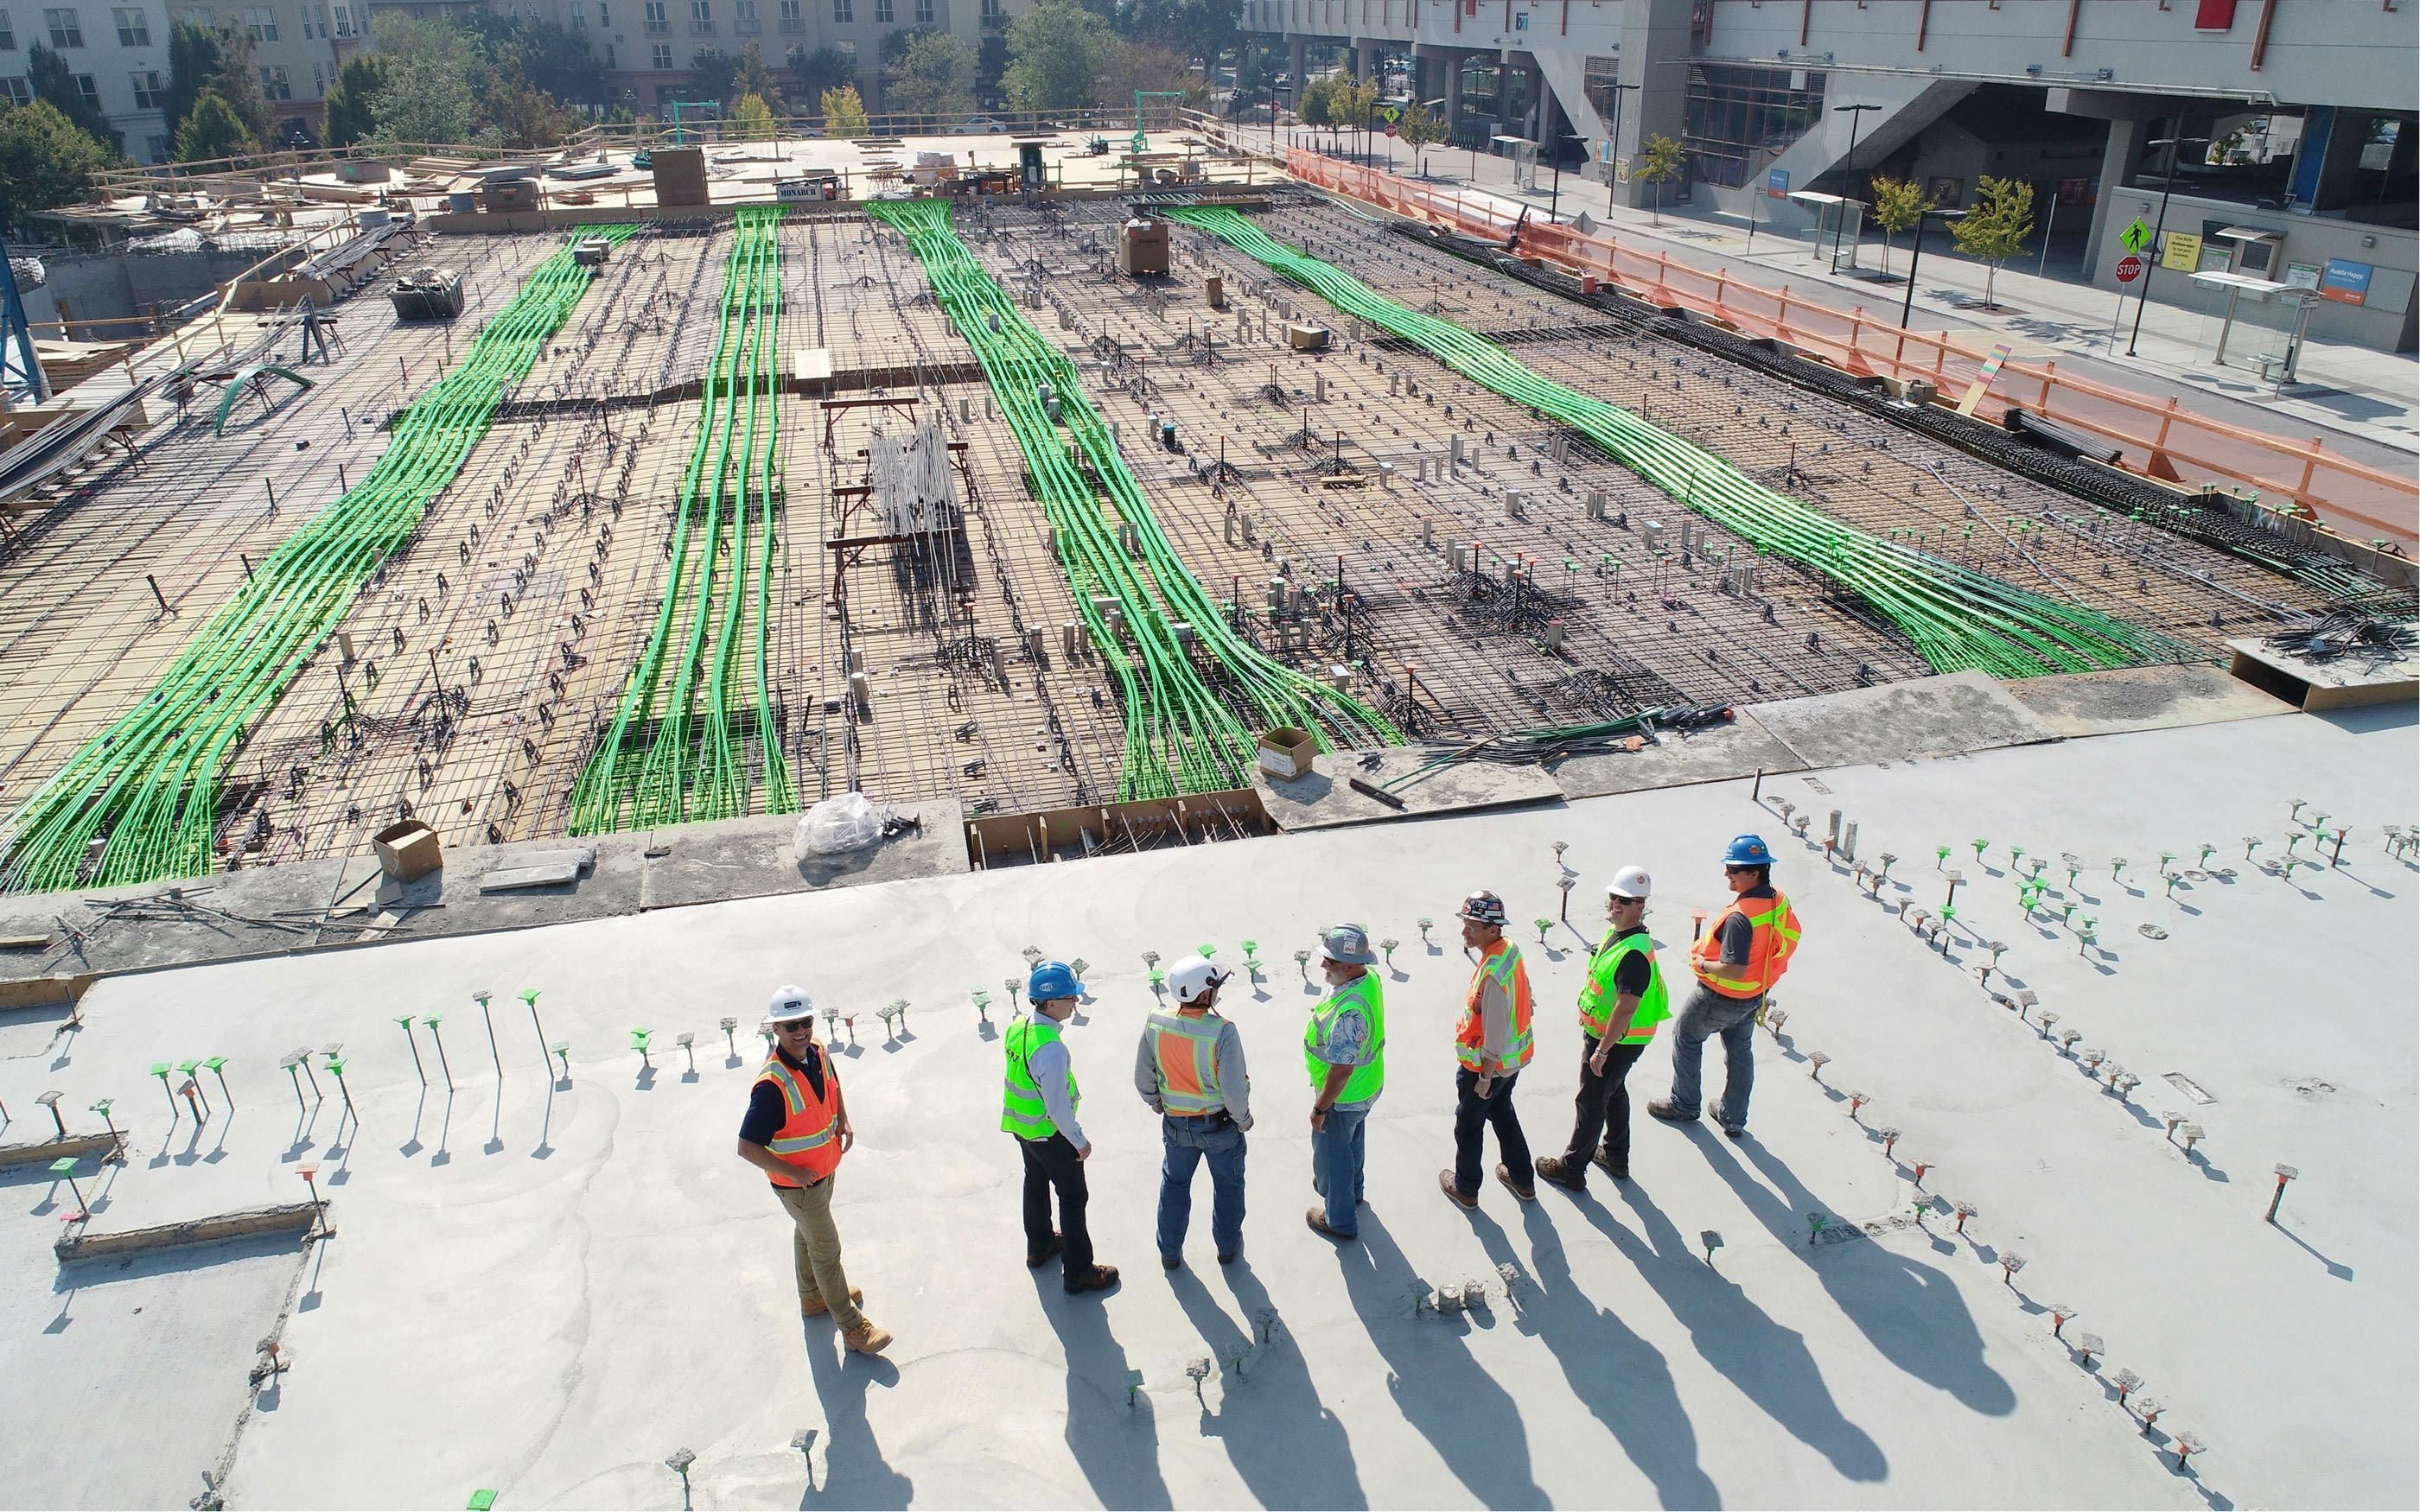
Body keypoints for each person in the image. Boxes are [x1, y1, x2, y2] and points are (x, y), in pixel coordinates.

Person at [736, 985, 891, 1354]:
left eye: (804, 1021)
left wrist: (844, 1121)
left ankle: (813, 1297)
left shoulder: (817, 1050)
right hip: (800, 1185)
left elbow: (833, 1088)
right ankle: (852, 1329)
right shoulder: (771, 1086)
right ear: (775, 1029)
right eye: (790, 1025)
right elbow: (747, 1147)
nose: (800, 1031)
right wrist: (793, 1173)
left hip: (823, 1170)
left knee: (808, 1236)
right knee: (826, 1249)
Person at [1650, 834, 1803, 1139]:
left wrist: (1702, 964)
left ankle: (1684, 1104)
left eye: (1733, 869)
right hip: (1755, 994)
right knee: (1740, 1051)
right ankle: (1733, 1118)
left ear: (1753, 874)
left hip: (1720, 997)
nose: (1727, 874)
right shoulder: (1777, 900)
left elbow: (1733, 968)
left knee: (1686, 1037)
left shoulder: (1740, 919)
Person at [1535, 867, 1669, 1191]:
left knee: (1591, 1101)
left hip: (1616, 1041)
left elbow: (1626, 1007)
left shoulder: (1634, 953)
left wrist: (1602, 1050)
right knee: (1613, 1092)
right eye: (1613, 897)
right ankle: (1615, 1155)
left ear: (1641, 905)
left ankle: (1571, 1169)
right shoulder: (1619, 935)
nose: (1616, 904)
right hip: (1612, 1038)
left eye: (1625, 900)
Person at [1005, 959, 1119, 1295]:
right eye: (1072, 998)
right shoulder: (1051, 1048)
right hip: (1049, 1134)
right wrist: (1079, 1141)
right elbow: (1057, 1107)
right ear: (1052, 1003)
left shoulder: (1018, 1026)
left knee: (1035, 1182)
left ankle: (1039, 1246)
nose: (1076, 1003)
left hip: (1021, 1126)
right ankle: (1079, 1272)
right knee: (1073, 1197)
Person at [1134, 954, 1251, 1269]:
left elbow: (1143, 1077)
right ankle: (1227, 1248)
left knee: (1174, 1185)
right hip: (1220, 1128)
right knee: (1228, 1186)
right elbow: (1234, 1089)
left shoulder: (1156, 1022)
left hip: (1175, 1125)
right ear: (1204, 994)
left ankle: (1169, 1251)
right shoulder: (1223, 1031)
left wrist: (1156, 1102)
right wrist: (1244, 1120)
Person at [1440, 890, 1537, 1209]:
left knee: (1467, 1125)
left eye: (1472, 926)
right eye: (1465, 923)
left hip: (1486, 1066)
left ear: (1492, 930)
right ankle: (1522, 1179)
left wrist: (1485, 1076)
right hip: (1512, 1063)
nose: (1465, 931)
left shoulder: (1493, 972)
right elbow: (1522, 991)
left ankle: (1466, 1188)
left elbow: (1494, 1030)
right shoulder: (1509, 951)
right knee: (1502, 1112)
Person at [1303, 924, 1385, 1242]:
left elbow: (1341, 1069)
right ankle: (1354, 1192)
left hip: (1344, 1096)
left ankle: (1339, 1219)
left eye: (1330, 962)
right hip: (1366, 1087)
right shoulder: (1369, 980)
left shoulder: (1350, 1013)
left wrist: (1320, 1108)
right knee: (1352, 1143)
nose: (1324, 966)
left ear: (1351, 966)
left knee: (1333, 1155)